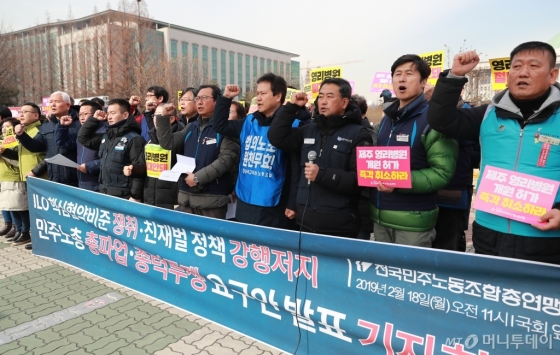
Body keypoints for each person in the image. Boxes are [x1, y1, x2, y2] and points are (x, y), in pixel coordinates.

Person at [427, 41, 560, 264]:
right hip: (488, 233)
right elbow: (441, 120)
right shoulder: (488, 114)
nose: (523, 73)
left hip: (545, 238)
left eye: (534, 66)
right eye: (516, 66)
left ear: (552, 74)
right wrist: (455, 76)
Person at [371, 54, 458, 247]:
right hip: (380, 218)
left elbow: (442, 172)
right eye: (397, 74)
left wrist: (399, 181)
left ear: (423, 82)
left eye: (409, 74)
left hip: (413, 224)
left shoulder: (434, 119)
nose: (401, 79)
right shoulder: (386, 119)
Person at [268, 78, 373, 238]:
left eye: (330, 97)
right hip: (305, 223)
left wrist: (322, 175)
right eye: (321, 96)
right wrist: (291, 107)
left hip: (340, 226)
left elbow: (360, 179)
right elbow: (277, 137)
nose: (323, 101)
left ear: (344, 102)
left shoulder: (359, 134)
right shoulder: (309, 130)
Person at [213, 74, 298, 229]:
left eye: (263, 94)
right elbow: (219, 126)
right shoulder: (249, 121)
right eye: (257, 93)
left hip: (275, 203)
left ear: (278, 96)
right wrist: (226, 98)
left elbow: (296, 169)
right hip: (245, 198)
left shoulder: (294, 125)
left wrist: (293, 203)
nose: (258, 98)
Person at [155, 85, 239, 219]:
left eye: (204, 98)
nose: (199, 102)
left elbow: (226, 160)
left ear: (217, 102)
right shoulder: (191, 127)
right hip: (186, 197)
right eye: (197, 98)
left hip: (211, 200)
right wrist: (163, 119)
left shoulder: (226, 129)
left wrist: (197, 178)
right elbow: (168, 143)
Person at [77, 99, 146, 201]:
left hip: (124, 195)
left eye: (113, 113)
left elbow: (139, 170)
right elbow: (83, 138)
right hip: (104, 192)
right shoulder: (107, 137)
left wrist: (135, 196)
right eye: (108, 113)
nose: (109, 117)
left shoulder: (134, 139)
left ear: (125, 115)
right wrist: (94, 119)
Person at [3, 103, 47, 250]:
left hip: (40, 178)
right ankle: (34, 237)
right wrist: (4, 152)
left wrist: (36, 171)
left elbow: (44, 154)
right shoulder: (22, 130)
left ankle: (42, 239)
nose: (20, 114)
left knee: (41, 212)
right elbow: (19, 155)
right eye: (20, 112)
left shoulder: (40, 130)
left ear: (36, 115)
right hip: (26, 177)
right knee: (32, 210)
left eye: (25, 112)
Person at [15, 91, 80, 186]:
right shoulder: (47, 125)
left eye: (57, 102)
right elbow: (36, 147)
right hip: (53, 177)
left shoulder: (79, 124)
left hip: (76, 177)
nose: (52, 105)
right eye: (51, 102)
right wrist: (21, 135)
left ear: (67, 105)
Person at [124, 103, 182, 210]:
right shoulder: (151, 140)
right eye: (155, 115)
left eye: (160, 115)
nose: (156, 119)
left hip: (172, 200)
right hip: (150, 197)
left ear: (172, 119)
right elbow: (143, 165)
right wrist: (133, 169)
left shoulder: (179, 139)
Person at [55, 100, 106, 191]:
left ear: (96, 114)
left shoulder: (104, 132)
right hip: (82, 181)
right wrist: (62, 127)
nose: (82, 117)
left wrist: (89, 166)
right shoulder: (80, 132)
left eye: (85, 114)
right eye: (80, 114)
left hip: (98, 183)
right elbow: (63, 143)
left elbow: (109, 159)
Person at [0, 118, 32, 245]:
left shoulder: (17, 143)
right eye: (3, 126)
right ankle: (18, 230)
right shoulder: (2, 141)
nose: (4, 129)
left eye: (7, 127)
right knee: (12, 207)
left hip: (15, 178)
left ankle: (25, 232)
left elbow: (19, 162)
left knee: (21, 208)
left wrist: (4, 153)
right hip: (4, 179)